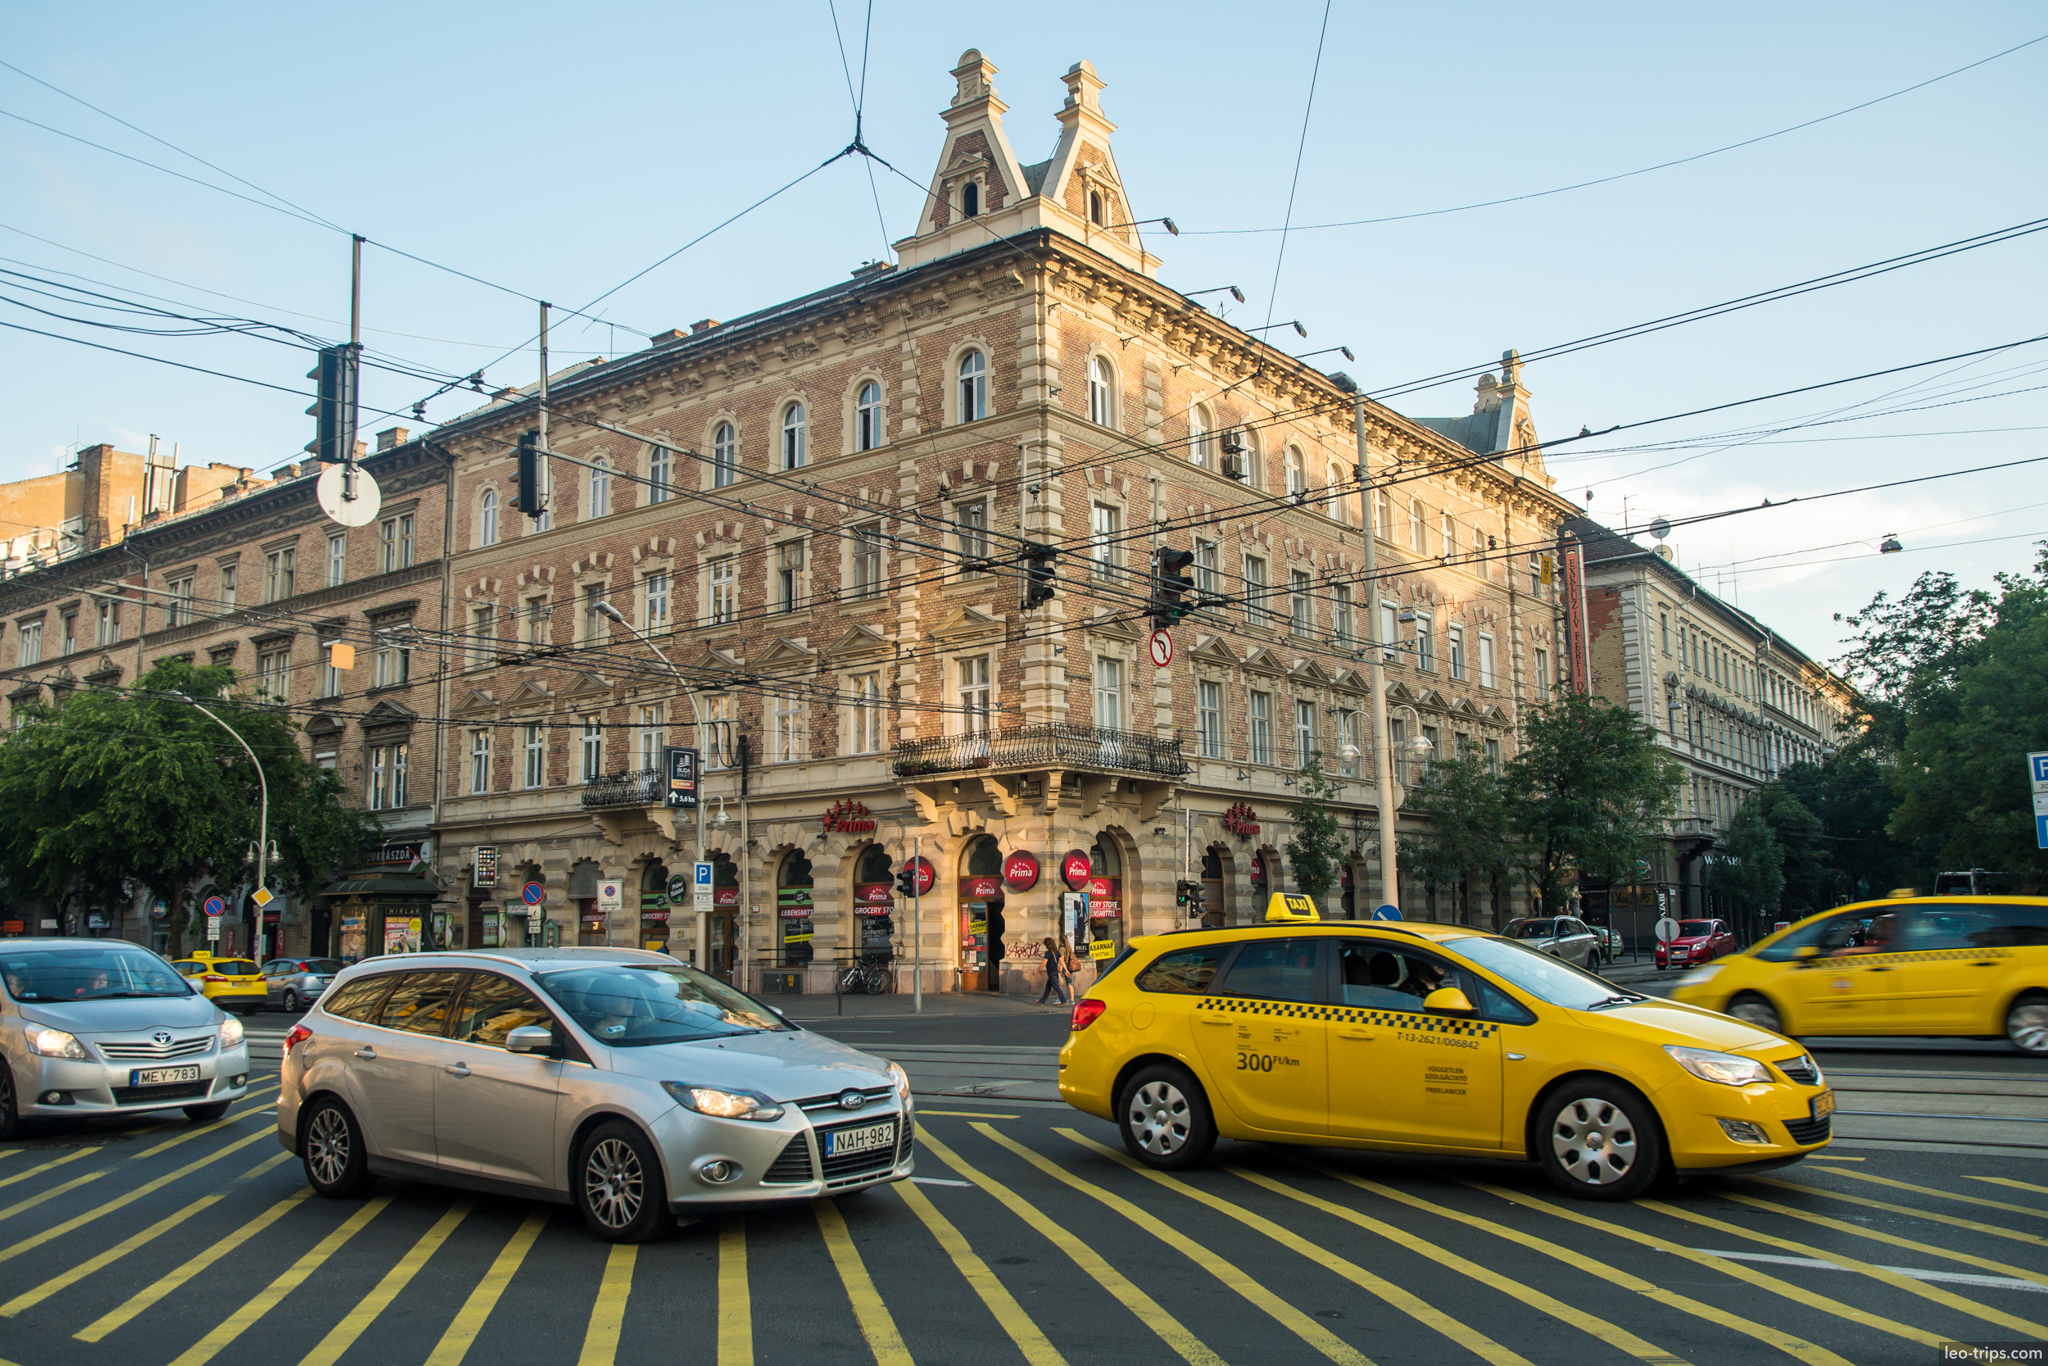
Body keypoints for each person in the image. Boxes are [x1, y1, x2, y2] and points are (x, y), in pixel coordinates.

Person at [1037, 936, 1070, 1006]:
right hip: (1055, 972)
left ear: (1047, 945)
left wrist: (1037, 970)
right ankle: (1041, 1001)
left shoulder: (1048, 953)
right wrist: (1066, 970)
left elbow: (1044, 963)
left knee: (1056, 987)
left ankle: (1063, 1001)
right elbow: (1062, 962)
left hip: (1051, 973)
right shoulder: (1057, 952)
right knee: (1048, 987)